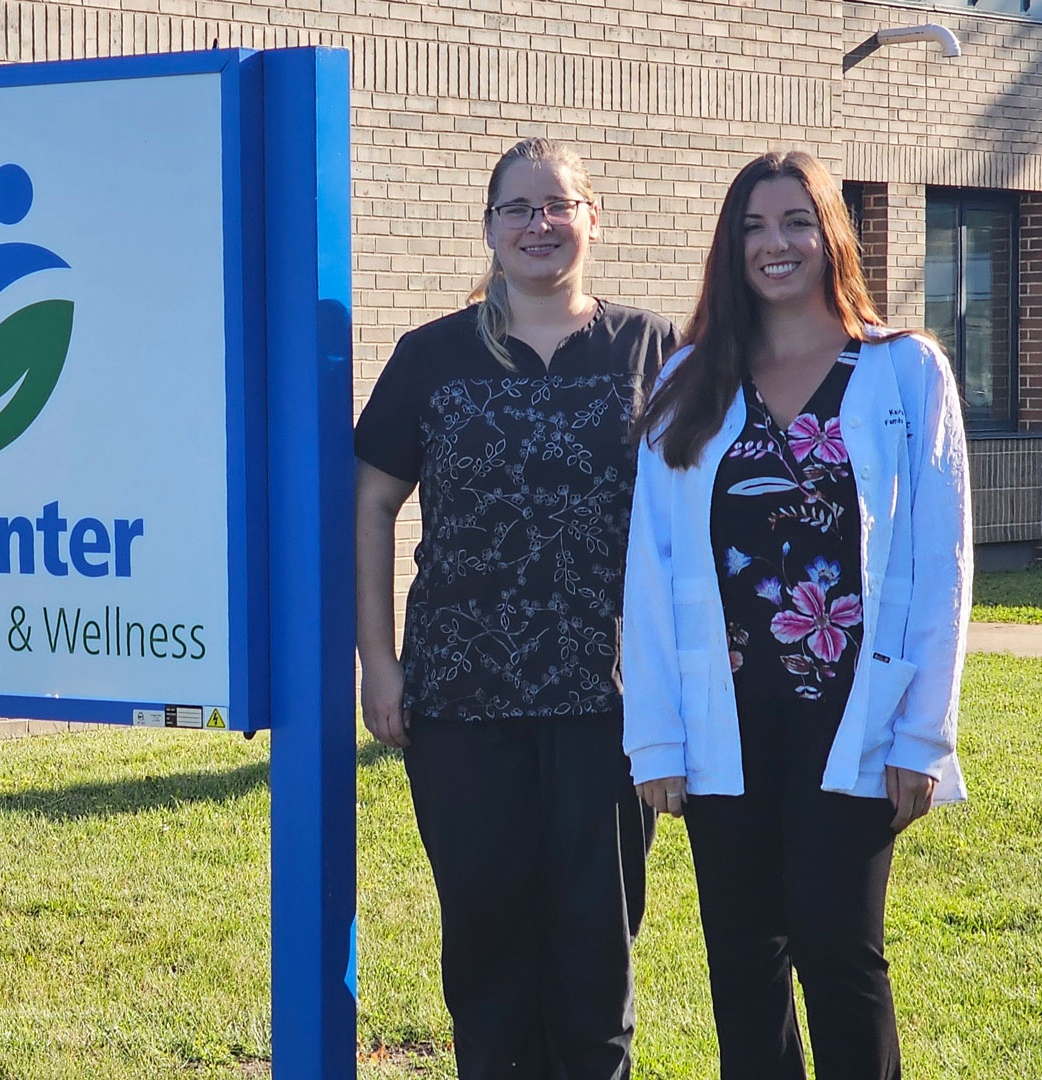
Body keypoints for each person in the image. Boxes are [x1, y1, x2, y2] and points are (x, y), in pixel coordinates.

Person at [623, 149, 969, 1080]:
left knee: (839, 954)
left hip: (854, 715)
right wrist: (655, 739)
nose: (773, 244)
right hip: (723, 717)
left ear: (831, 234)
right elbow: (651, 569)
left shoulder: (904, 371)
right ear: (729, 248)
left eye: (794, 222)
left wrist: (922, 738)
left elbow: (941, 566)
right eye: (752, 227)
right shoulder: (690, 377)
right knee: (743, 965)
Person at [354, 138, 676, 1078]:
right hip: (461, 701)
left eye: (558, 204)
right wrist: (379, 662)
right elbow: (371, 503)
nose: (541, 224)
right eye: (518, 209)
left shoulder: (653, 350)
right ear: (489, 229)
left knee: (595, 958)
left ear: (592, 219)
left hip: (608, 702)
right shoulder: (431, 356)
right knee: (488, 959)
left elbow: (698, 514)